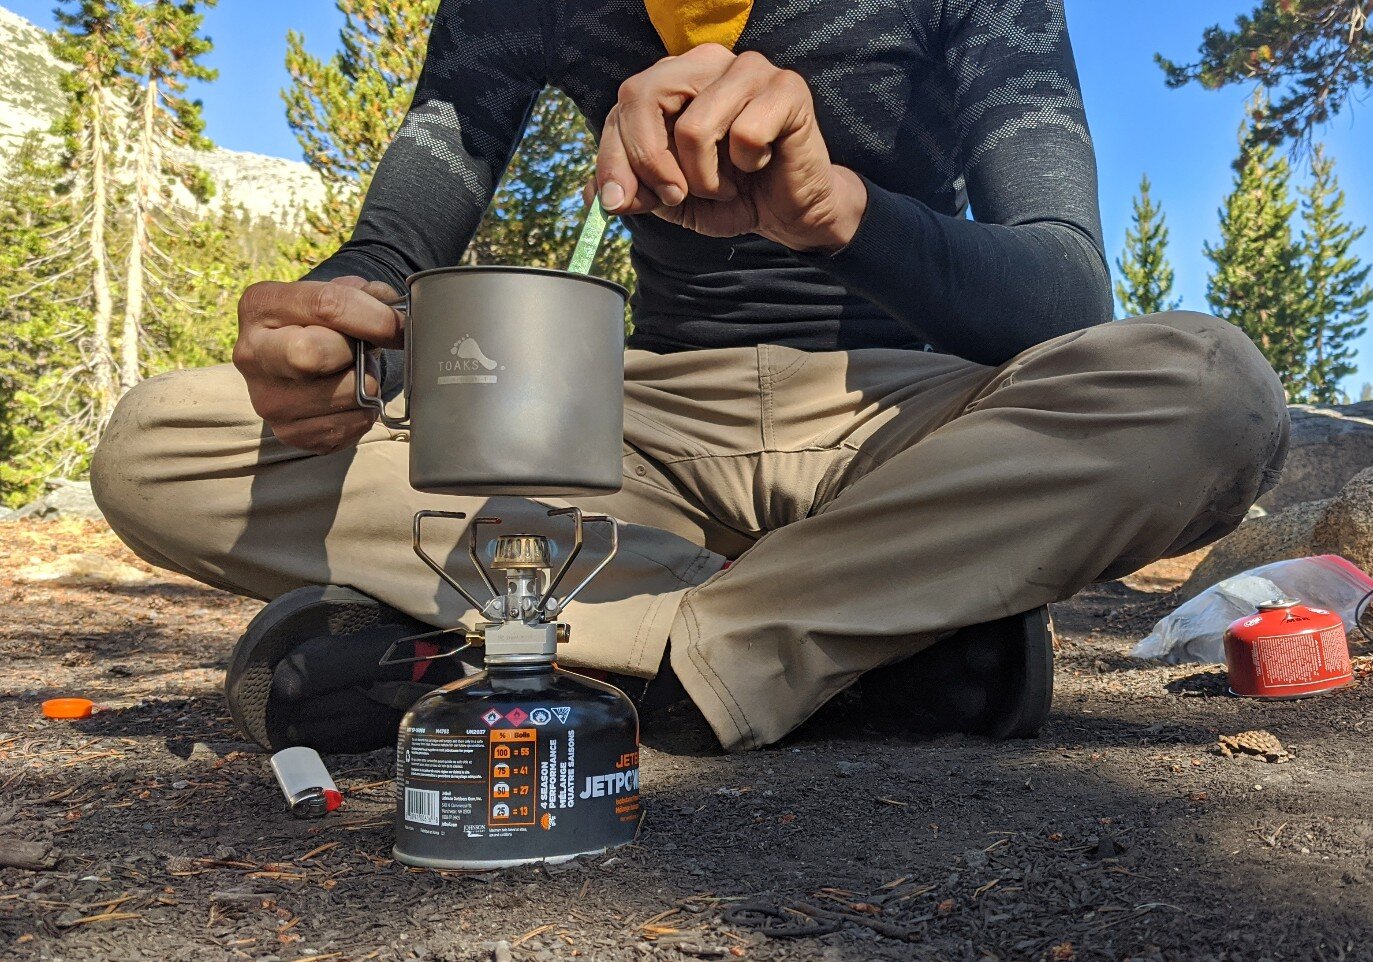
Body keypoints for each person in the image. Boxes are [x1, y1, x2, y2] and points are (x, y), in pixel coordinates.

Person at [90, 0, 1290, 754]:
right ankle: (869, 643)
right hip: (619, 433)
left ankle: (575, 649)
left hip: (904, 425)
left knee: (1211, 388)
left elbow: (1066, 295)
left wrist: (839, 212)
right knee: (159, 444)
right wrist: (329, 333)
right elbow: (393, 252)